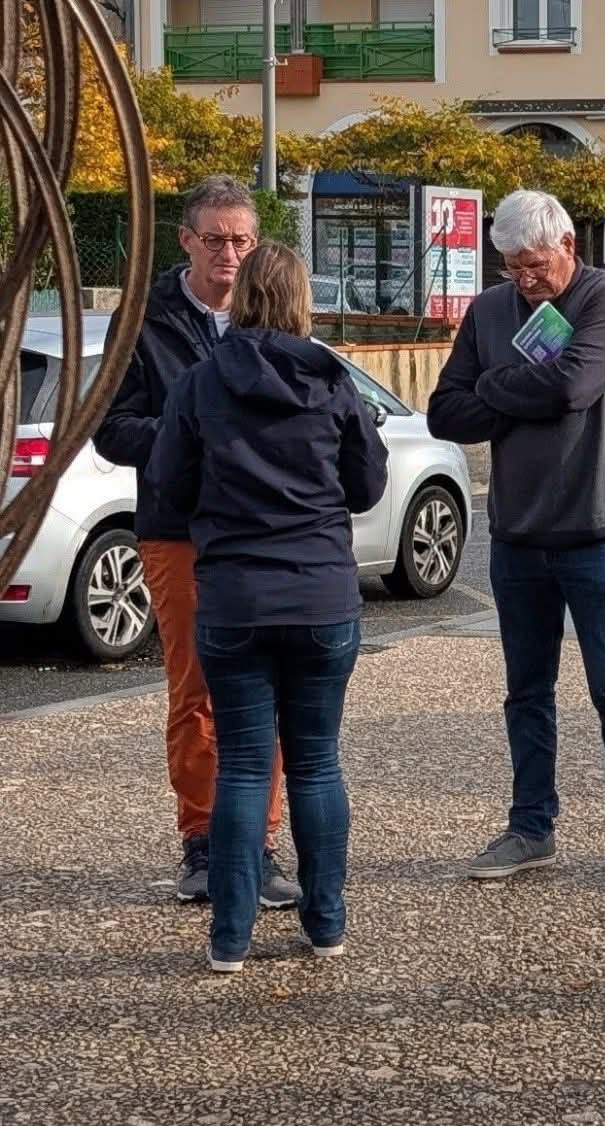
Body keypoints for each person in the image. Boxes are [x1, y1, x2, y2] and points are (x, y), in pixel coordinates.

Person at [144, 243, 387, 972]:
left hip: (234, 598)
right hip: (319, 594)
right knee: (315, 763)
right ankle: (326, 921)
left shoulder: (198, 384)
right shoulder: (331, 380)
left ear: (243, 295)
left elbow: (168, 485)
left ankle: (230, 936)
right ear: (300, 300)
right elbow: (367, 485)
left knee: (245, 766)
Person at [427, 190, 605, 892]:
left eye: (534, 265)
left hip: (598, 522)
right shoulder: (491, 311)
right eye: (511, 268)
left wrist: (496, 387)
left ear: (567, 246)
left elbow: (574, 387)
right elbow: (446, 410)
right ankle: (531, 827)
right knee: (525, 692)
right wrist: (516, 385)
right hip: (519, 529)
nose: (524, 281)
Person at [93, 175, 300, 908]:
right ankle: (202, 839)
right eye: (215, 240)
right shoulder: (144, 318)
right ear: (186, 241)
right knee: (197, 692)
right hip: (179, 528)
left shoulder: (272, 314)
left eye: (241, 240)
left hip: (260, 533)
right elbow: (110, 426)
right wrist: (194, 438)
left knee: (267, 691)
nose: (230, 255)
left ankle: (260, 843)